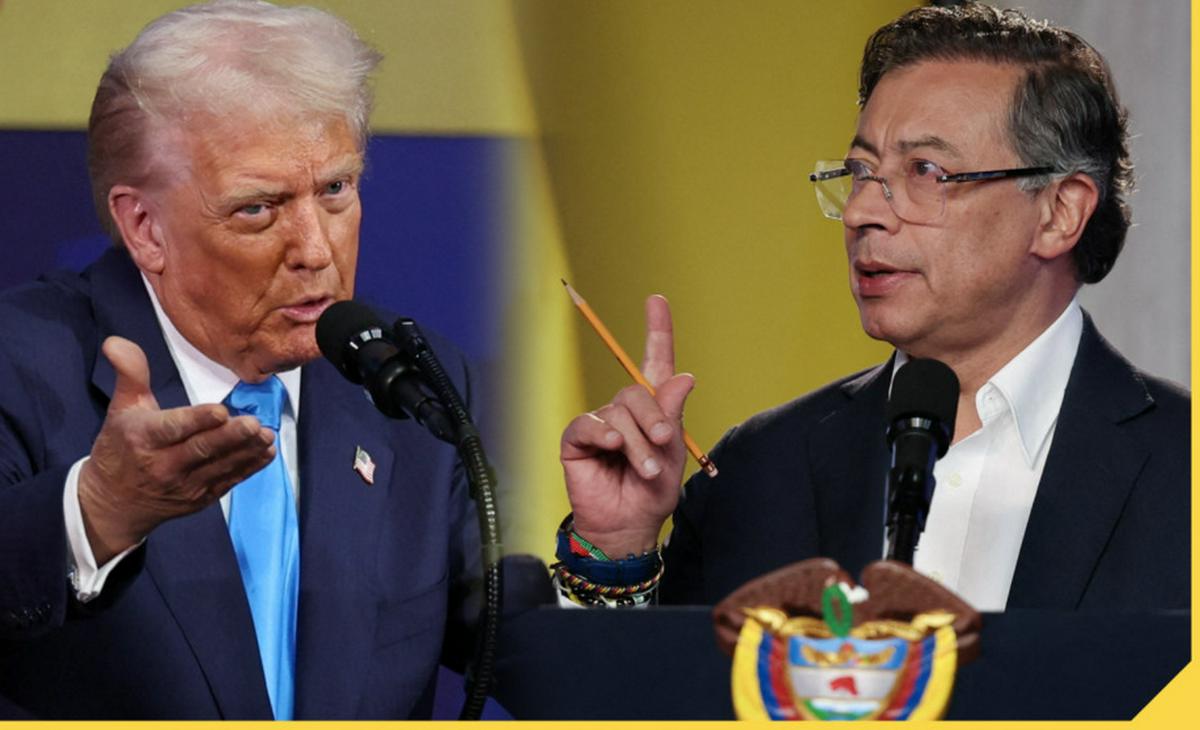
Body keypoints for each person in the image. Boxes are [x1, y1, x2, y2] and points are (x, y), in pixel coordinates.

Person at [556, 2, 1188, 612]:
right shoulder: (759, 470)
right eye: (861, 172)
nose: (861, 212)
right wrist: (615, 551)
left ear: (1059, 213)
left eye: (926, 171)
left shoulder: (1182, 464)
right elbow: (657, 683)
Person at [0, 0, 481, 719]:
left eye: (335, 190)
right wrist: (96, 513)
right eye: (258, 208)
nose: (315, 250)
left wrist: (608, 549)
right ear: (145, 226)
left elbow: (511, 641)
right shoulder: (20, 362)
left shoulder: (407, 380)